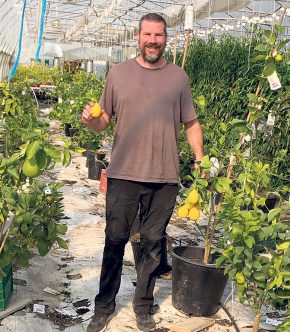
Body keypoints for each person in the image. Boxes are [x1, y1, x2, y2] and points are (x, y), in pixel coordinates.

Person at [82, 13, 205, 332]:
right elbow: (103, 118)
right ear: (138, 37)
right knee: (114, 241)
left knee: (152, 244)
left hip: (164, 178)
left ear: (166, 39)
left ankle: (143, 306)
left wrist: (200, 158)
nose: (153, 40)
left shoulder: (179, 78)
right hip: (123, 173)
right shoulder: (118, 73)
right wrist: (89, 121)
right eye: (147, 34)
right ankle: (104, 306)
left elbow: (191, 122)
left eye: (159, 35)